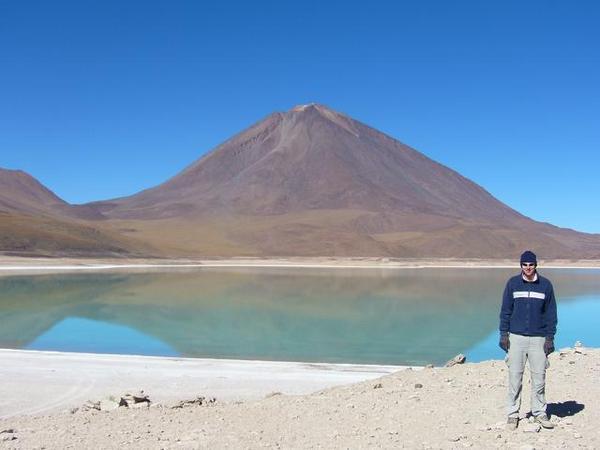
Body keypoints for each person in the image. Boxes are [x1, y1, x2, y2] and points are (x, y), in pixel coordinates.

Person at [499, 250, 557, 431]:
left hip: (539, 339)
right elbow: (505, 311)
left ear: (536, 265)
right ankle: (512, 414)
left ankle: (539, 412)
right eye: (525, 265)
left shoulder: (545, 285)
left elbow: (551, 314)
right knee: (515, 378)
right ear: (521, 266)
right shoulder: (513, 284)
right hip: (516, 338)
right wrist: (503, 334)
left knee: (539, 378)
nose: (528, 268)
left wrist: (549, 338)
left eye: (531, 264)